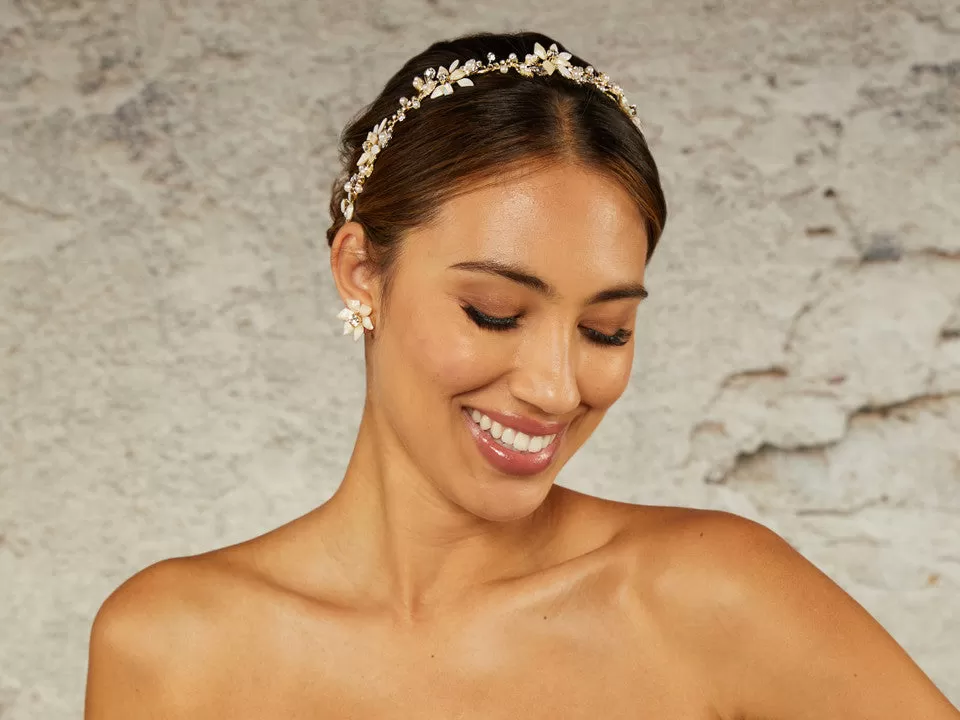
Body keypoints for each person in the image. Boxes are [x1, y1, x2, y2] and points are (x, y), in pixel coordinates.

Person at [84, 31, 960, 719]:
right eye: (495, 313)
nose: (555, 386)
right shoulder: (171, 646)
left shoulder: (708, 595)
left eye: (606, 330)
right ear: (361, 271)